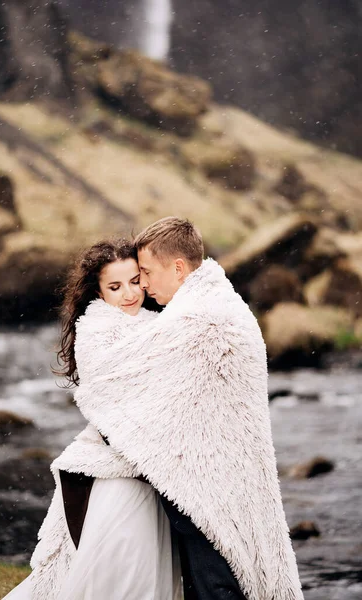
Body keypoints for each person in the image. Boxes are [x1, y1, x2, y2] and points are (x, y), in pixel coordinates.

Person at [74, 217, 304, 600]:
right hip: (212, 480)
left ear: (178, 268)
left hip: (211, 487)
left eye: (145, 273)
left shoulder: (199, 318)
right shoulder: (212, 303)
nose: (142, 285)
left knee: (216, 587)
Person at [3, 239, 181, 600]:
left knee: (151, 571)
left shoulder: (163, 323)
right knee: (121, 570)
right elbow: (115, 404)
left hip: (157, 469)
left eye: (135, 281)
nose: (129, 293)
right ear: (97, 291)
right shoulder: (96, 332)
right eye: (115, 287)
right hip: (117, 469)